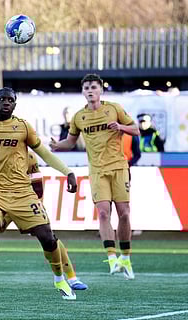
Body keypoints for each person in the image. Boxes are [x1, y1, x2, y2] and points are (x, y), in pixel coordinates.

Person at [0, 87, 78, 302]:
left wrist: (68, 172)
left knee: (46, 236)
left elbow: (44, 153)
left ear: (15, 105)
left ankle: (60, 279)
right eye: (2, 99)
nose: (6, 103)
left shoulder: (23, 126)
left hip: (22, 192)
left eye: (10, 100)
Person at [50, 74, 140, 280]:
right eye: (87, 88)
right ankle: (111, 258)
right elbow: (70, 142)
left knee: (124, 213)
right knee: (103, 213)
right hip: (97, 170)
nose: (90, 91)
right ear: (83, 92)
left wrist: (121, 127)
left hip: (119, 167)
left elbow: (135, 130)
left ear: (101, 90)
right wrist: (57, 146)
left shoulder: (114, 108)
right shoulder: (79, 117)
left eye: (94, 87)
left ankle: (125, 257)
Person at [0, 151, 88, 291]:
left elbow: (37, 186)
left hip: (24, 200)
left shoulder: (28, 156)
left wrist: (34, 207)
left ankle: (72, 278)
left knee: (47, 235)